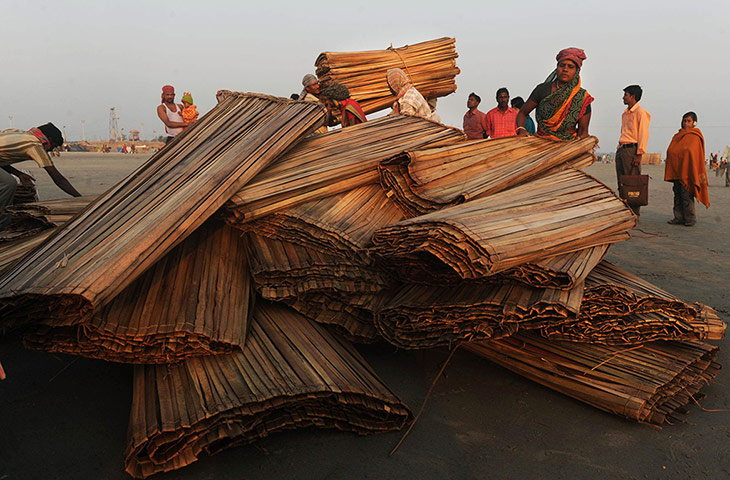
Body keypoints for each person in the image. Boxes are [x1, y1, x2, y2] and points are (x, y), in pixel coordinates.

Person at [0, 123, 82, 226]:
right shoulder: (35, 145)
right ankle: (2, 225)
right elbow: (58, 179)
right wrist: (79, 198)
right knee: (8, 183)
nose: (51, 150)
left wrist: (19, 174)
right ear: (50, 140)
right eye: (53, 146)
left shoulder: (19, 133)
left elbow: (2, 159)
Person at [516, 47, 593, 140]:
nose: (565, 69)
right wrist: (521, 129)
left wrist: (580, 143)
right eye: (562, 65)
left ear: (576, 71)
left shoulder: (582, 98)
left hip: (568, 146)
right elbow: (523, 113)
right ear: (557, 68)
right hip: (540, 142)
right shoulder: (542, 89)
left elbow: (583, 132)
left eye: (570, 67)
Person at [664, 112, 709, 227]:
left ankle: (690, 218)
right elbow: (671, 151)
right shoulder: (677, 136)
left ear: (694, 123)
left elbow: (692, 153)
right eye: (684, 121)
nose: (686, 123)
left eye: (688, 121)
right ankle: (678, 217)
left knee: (686, 195)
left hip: (688, 172)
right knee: (677, 194)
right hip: (677, 171)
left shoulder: (695, 136)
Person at [616, 84, 651, 216]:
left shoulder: (641, 113)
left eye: (626, 95)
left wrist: (639, 154)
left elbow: (643, 134)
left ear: (633, 97)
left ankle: (634, 212)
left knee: (633, 182)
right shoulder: (625, 114)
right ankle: (624, 209)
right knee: (622, 181)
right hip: (622, 149)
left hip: (632, 150)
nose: (623, 97)